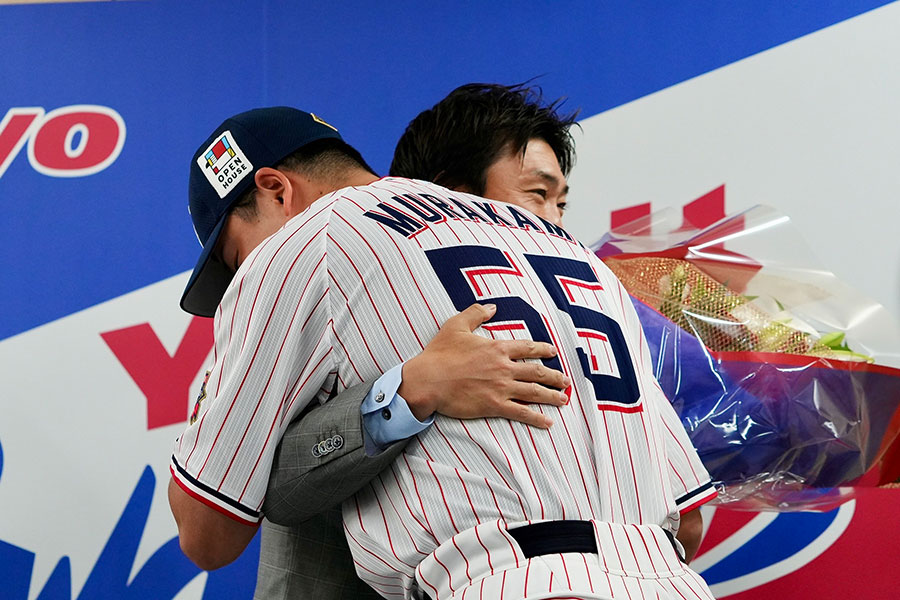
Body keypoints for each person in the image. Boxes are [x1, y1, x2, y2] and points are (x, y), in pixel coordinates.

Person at [168, 104, 716, 599]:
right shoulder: (572, 250)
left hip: (510, 582)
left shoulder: (303, 243)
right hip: (672, 581)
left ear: (275, 190)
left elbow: (205, 534)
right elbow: (688, 518)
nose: (242, 272)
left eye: (235, 253)